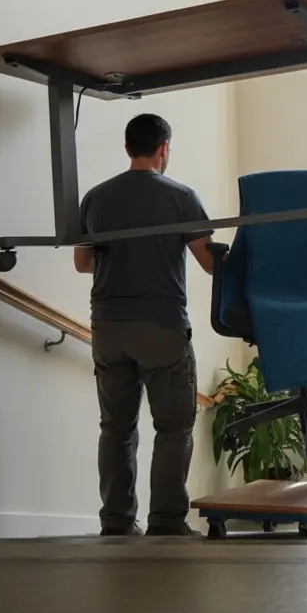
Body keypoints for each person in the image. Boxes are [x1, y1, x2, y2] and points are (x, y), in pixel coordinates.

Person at [75, 113, 215, 538]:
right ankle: (167, 522)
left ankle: (116, 522)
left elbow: (82, 263)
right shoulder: (181, 196)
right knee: (173, 428)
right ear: (164, 149)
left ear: (127, 147)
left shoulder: (96, 199)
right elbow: (210, 263)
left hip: (108, 327)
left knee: (115, 429)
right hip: (161, 326)